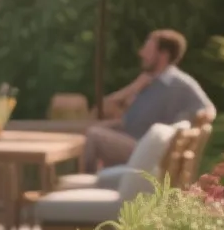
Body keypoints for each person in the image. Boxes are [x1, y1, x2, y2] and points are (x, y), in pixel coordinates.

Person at [84, 29, 215, 169]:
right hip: (128, 136)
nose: (141, 53)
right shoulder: (148, 81)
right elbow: (102, 109)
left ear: (163, 55)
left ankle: (85, 184)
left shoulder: (177, 82)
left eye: (147, 49)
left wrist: (181, 131)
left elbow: (208, 110)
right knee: (86, 131)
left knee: (93, 136)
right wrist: (133, 88)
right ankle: (93, 181)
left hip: (144, 149)